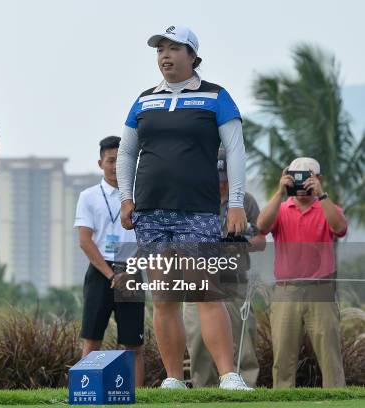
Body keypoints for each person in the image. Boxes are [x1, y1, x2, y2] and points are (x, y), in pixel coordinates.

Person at [116, 25, 252, 390]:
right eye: (160, 48)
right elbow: (128, 152)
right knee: (164, 296)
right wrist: (126, 199)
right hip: (151, 212)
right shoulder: (144, 100)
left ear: (193, 56)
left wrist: (236, 203)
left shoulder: (216, 96)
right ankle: (175, 378)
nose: (165, 55)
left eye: (175, 48)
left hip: (198, 211)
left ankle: (228, 375)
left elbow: (236, 151)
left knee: (205, 291)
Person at [257, 157, 347, 388]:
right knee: (283, 358)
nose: (301, 184)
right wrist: (279, 193)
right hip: (287, 291)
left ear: (318, 179)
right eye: (296, 178)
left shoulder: (328, 208)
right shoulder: (282, 208)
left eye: (307, 178)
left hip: (321, 290)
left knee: (330, 356)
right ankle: (283, 400)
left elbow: (340, 228)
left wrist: (322, 195)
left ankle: (336, 400)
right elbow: (261, 226)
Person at [184, 148, 266, 388]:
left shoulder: (246, 201)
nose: (221, 184)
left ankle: (245, 385)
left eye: (226, 179)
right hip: (198, 279)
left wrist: (240, 244)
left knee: (243, 340)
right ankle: (203, 389)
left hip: (234, 280)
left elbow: (261, 241)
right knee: (197, 338)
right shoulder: (192, 201)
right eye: (217, 179)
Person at [74, 136, 145, 386]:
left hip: (132, 270)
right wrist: (111, 275)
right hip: (99, 272)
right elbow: (85, 240)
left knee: (133, 343)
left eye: (120, 161)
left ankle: (138, 396)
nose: (115, 166)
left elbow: (147, 240)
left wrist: (128, 272)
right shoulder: (88, 196)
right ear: (100, 163)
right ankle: (85, 392)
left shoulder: (140, 195)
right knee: (92, 339)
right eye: (110, 160)